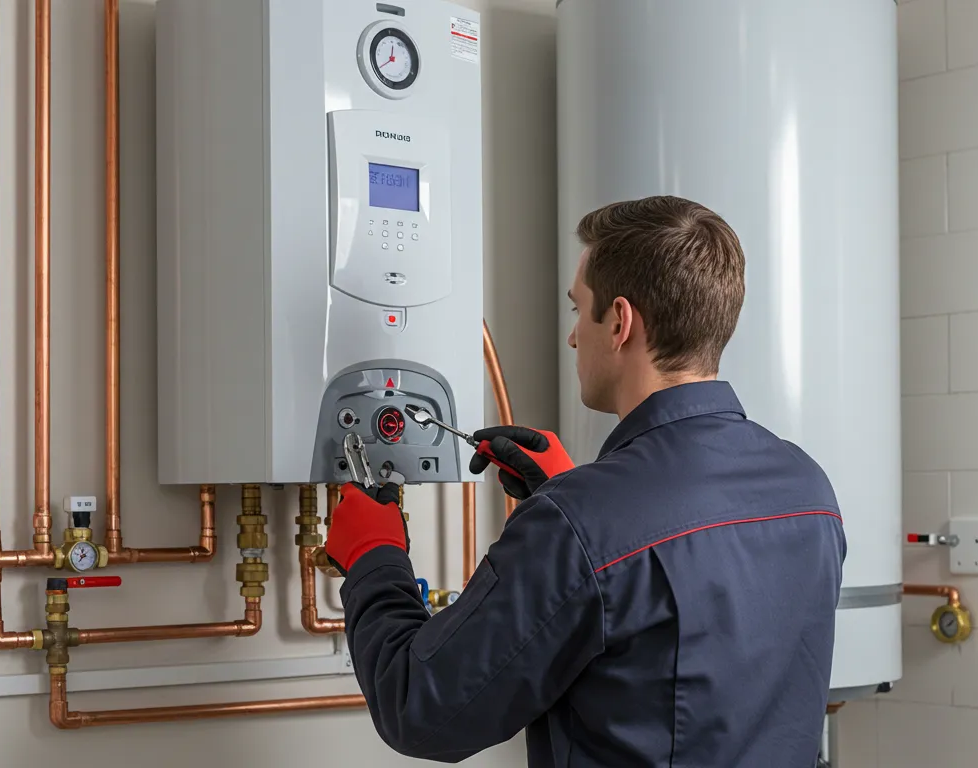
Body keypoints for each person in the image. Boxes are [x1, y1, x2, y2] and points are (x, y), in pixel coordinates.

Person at [324, 195, 847, 766]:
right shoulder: (809, 489)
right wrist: (571, 502)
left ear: (619, 322)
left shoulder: (579, 524)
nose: (574, 337)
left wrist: (374, 557)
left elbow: (420, 710)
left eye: (579, 310)